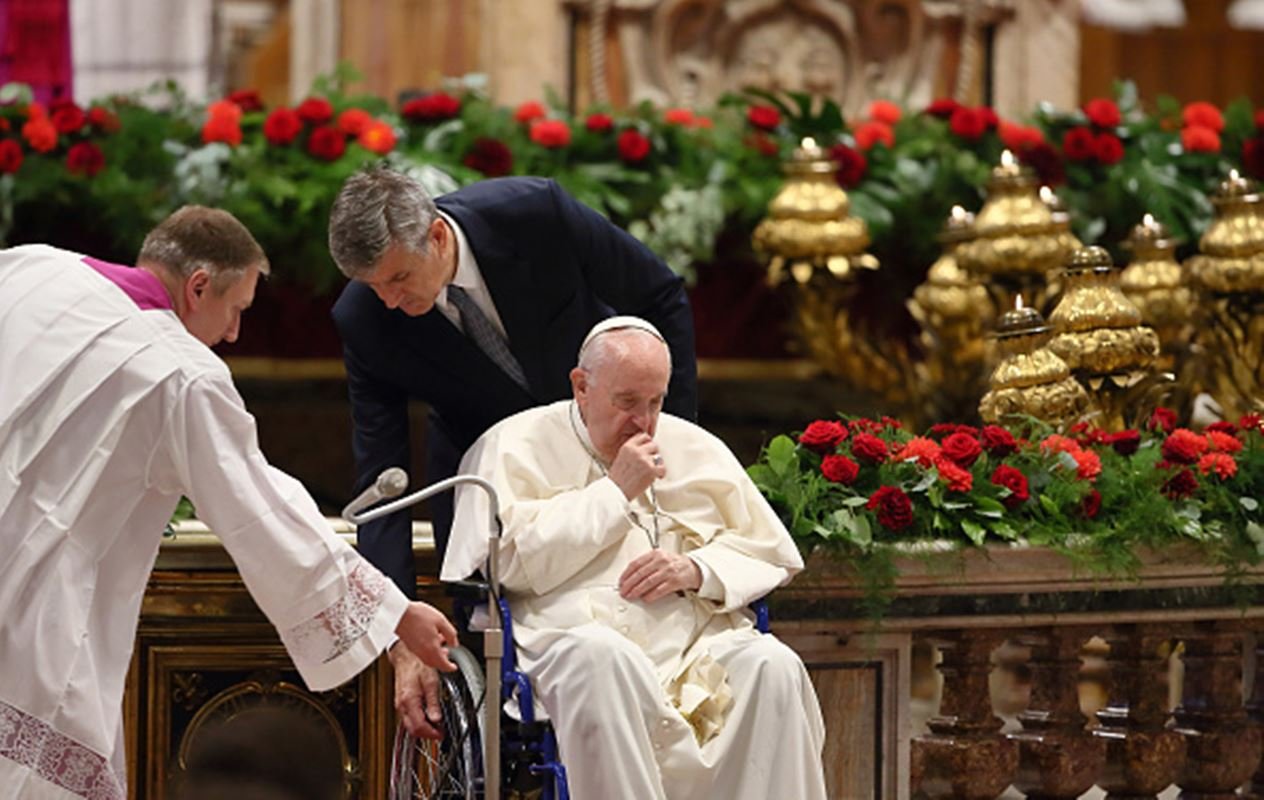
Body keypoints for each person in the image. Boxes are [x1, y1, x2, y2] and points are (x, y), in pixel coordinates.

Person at [0, 207, 457, 800]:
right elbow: (261, 508)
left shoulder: (30, 269)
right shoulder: (179, 373)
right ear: (197, 288)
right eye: (236, 309)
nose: (236, 333)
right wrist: (395, 611)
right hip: (35, 605)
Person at [327, 168, 698, 737]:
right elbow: (384, 480)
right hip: (494, 484)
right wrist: (396, 627)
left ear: (438, 237)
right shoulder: (364, 318)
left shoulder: (534, 213)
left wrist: (670, 436)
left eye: (399, 278)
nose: (391, 301)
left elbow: (660, 294)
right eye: (374, 286)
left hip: (610, 439)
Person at [442, 317, 827, 800]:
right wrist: (614, 492)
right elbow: (509, 566)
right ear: (581, 387)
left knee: (773, 665)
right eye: (626, 402)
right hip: (574, 642)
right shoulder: (512, 445)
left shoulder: (695, 447)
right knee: (605, 659)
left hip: (693, 648)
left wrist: (697, 569)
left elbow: (768, 552)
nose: (644, 423)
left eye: (656, 403)